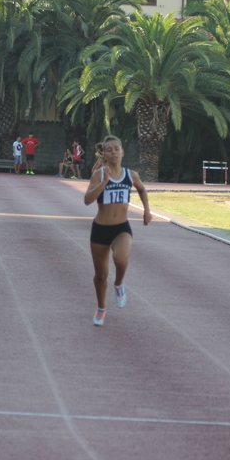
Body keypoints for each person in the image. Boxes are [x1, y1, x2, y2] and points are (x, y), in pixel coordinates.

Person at [83, 136, 151, 326]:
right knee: (100, 276)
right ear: (104, 154)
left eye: (116, 149)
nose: (113, 152)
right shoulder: (99, 174)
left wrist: (147, 211)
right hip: (100, 230)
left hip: (121, 228)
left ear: (122, 152)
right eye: (109, 150)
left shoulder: (131, 175)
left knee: (121, 259)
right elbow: (87, 200)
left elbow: (142, 189)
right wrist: (103, 182)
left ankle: (119, 284)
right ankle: (101, 309)